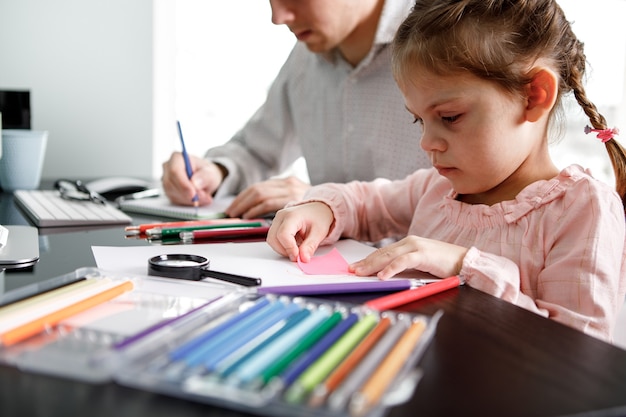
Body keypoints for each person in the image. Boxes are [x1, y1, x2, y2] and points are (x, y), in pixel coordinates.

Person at [266, 0, 626, 342]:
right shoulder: (438, 189)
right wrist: (321, 208)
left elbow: (579, 352)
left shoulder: (583, 210)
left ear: (534, 95)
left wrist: (464, 265)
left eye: (449, 117)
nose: (427, 142)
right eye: (418, 119)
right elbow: (364, 203)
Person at [161, 0, 431, 219]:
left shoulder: (447, 39)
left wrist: (326, 201)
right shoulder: (307, 55)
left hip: (419, 277)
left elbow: (462, 210)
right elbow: (257, 150)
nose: (278, 17)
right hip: (323, 268)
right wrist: (215, 171)